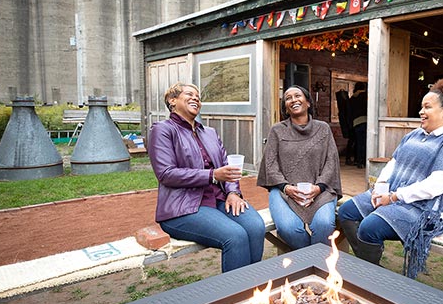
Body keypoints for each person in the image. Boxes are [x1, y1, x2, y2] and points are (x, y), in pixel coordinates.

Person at [338, 76, 443, 278]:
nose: (421, 112)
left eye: (427, 107)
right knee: (346, 211)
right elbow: (394, 163)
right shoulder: (415, 135)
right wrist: (379, 189)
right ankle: (370, 268)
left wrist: (392, 197)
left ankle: (371, 278)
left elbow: (434, 186)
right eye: (421, 107)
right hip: (394, 195)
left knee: (369, 227)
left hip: (426, 209)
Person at [148, 82, 265, 272]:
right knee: (235, 236)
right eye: (189, 94)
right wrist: (211, 175)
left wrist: (233, 192)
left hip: (219, 199)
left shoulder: (209, 132)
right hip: (182, 207)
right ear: (172, 101)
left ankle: (253, 291)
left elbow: (228, 167)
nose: (196, 98)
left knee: (255, 227)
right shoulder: (162, 130)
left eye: (198, 96)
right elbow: (166, 174)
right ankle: (235, 298)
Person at [257, 85, 342, 250]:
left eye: (298, 96)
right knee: (290, 228)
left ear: (308, 102)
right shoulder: (277, 130)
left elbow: (331, 162)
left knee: (324, 224)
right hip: (283, 191)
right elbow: (270, 164)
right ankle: (313, 261)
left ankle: (314, 265)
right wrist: (286, 187)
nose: (293, 100)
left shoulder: (323, 129)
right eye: (288, 98)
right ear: (286, 108)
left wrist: (318, 187)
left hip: (320, 190)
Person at [349, 81, 368, 168]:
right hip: (365, 120)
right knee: (364, 143)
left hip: (356, 122)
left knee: (358, 143)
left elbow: (350, 111)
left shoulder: (353, 98)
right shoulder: (366, 96)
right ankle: (364, 161)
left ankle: (358, 161)